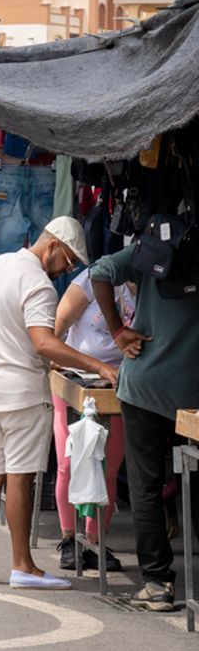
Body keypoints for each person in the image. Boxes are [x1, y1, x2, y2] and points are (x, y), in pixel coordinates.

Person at [0, 218, 118, 592]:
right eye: (69, 260)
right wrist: (98, 365)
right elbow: (43, 343)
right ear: (53, 245)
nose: (68, 269)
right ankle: (23, 565)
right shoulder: (38, 284)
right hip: (21, 392)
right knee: (20, 478)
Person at [90, 231, 199, 611]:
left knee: (145, 486)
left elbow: (99, 271)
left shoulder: (155, 245)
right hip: (192, 392)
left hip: (145, 384)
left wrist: (118, 330)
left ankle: (157, 583)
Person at [50, 270, 133, 571]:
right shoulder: (92, 279)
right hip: (76, 379)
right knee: (68, 463)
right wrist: (60, 366)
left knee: (109, 468)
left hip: (118, 385)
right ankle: (69, 539)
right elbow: (56, 329)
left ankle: (95, 541)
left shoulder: (152, 291)